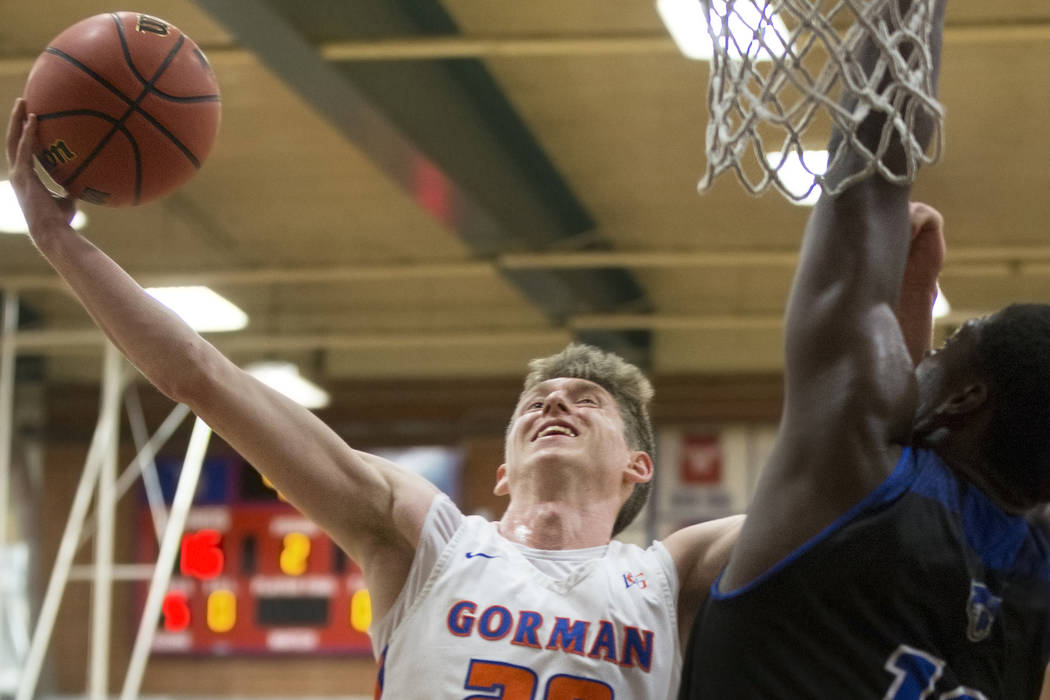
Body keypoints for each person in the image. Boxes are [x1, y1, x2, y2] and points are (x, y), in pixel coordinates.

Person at [6, 100, 743, 699]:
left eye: (586, 400)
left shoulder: (670, 576)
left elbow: (838, 496)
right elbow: (204, 378)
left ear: (638, 467)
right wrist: (59, 243)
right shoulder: (430, 543)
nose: (553, 404)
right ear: (502, 472)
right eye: (536, 399)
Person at [679, 0, 1050, 697]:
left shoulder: (853, 471)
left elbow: (876, 151)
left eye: (953, 343)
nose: (930, 353)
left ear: (965, 401)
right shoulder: (1034, 565)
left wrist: (912, 13)